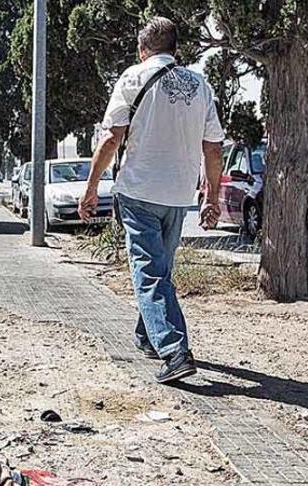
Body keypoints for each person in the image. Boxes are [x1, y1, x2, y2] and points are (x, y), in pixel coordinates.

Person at [78, 17, 225, 384]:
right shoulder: (200, 84)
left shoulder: (132, 77)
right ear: (175, 49)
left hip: (139, 193)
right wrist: (212, 195)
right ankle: (148, 336)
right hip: (178, 196)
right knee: (160, 270)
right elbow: (213, 147)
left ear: (142, 49)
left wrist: (91, 186)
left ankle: (174, 351)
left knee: (148, 274)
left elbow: (112, 139)